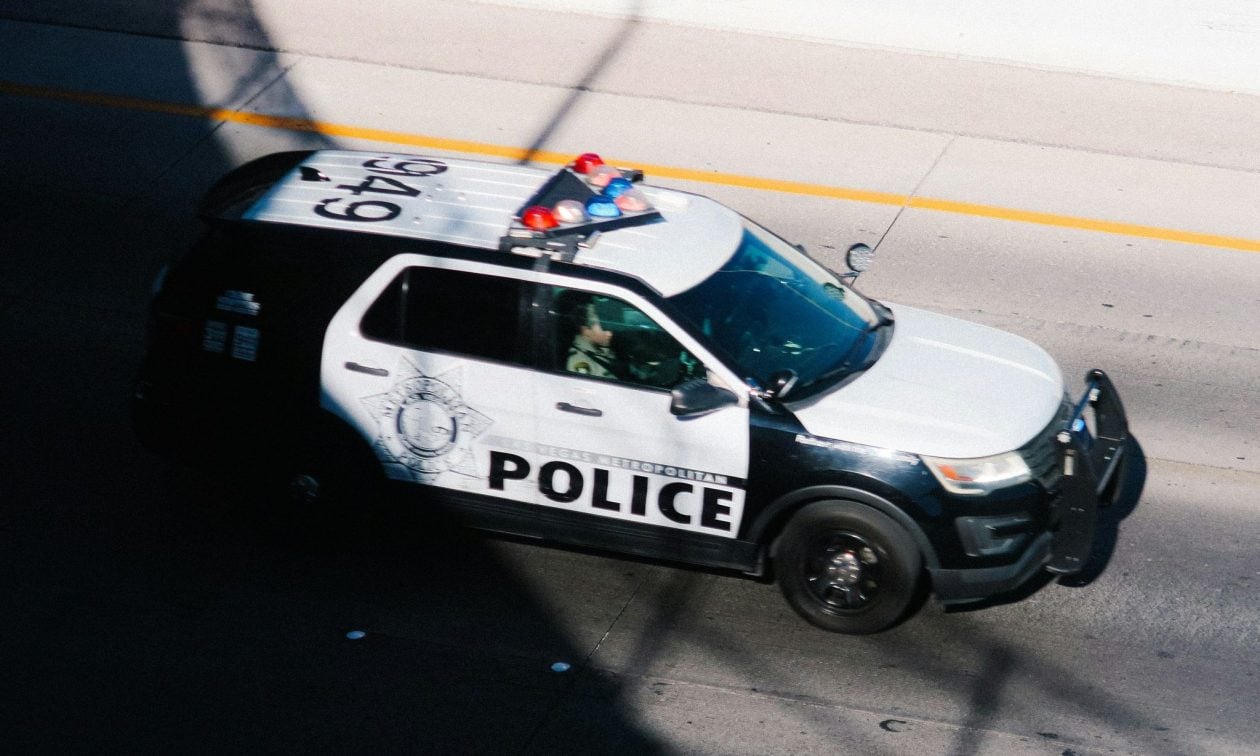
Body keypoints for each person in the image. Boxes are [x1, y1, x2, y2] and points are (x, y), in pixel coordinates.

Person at [561, 294, 627, 379]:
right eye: (604, 328)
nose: (610, 333)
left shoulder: (599, 348)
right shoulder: (581, 361)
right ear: (586, 330)